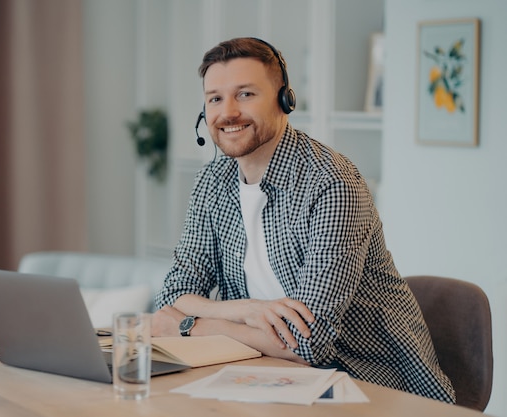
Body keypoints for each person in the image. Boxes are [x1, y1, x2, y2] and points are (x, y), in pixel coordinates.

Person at [152, 37, 455, 403]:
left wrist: (191, 326)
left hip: (373, 386)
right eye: (215, 98)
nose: (227, 112)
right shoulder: (212, 182)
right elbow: (173, 294)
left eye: (245, 94)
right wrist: (247, 310)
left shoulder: (331, 184)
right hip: (266, 379)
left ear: (284, 101)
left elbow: (309, 344)